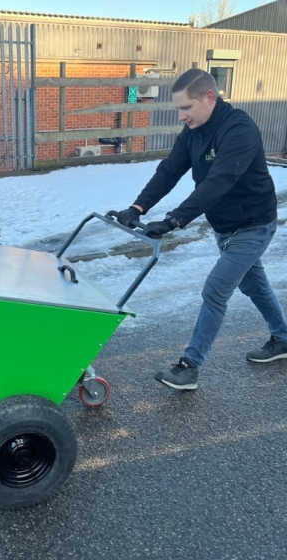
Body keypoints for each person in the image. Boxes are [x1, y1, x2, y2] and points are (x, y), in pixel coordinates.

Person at [117, 68, 287, 390]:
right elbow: (169, 170)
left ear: (209, 98)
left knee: (215, 290)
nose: (181, 116)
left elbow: (218, 182)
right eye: (178, 109)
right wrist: (138, 207)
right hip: (225, 227)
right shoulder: (194, 131)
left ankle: (189, 367)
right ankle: (283, 338)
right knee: (254, 285)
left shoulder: (239, 129)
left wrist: (175, 219)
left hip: (254, 225)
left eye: (186, 108)